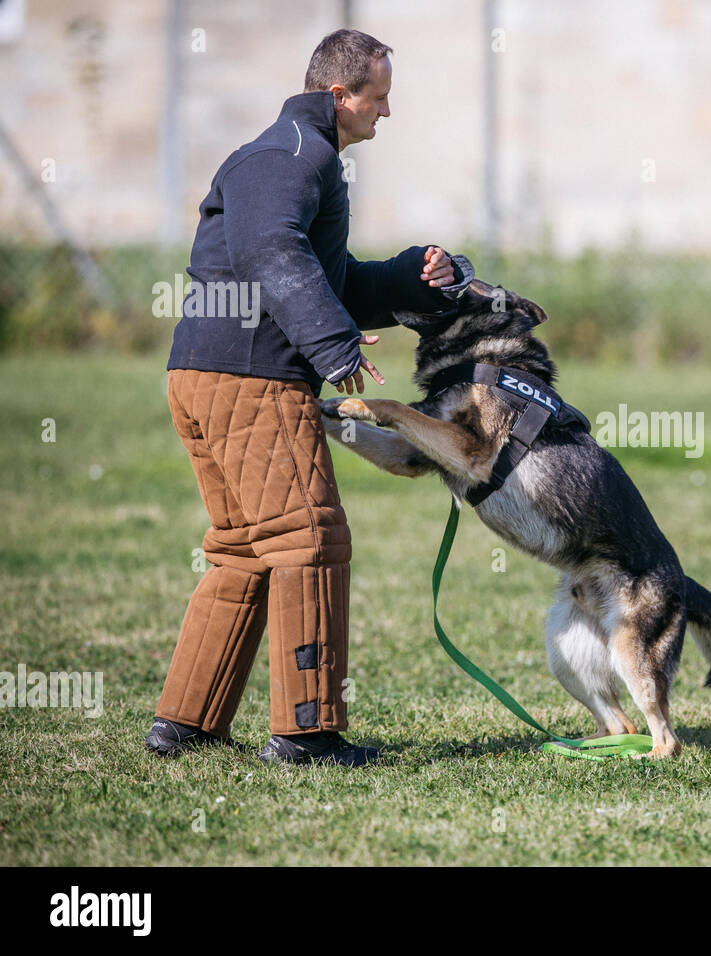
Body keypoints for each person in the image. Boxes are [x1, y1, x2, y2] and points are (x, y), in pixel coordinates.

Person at [149, 29, 474, 764]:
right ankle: (307, 731)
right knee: (310, 539)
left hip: (207, 371)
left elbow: (324, 275)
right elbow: (271, 250)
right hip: (251, 377)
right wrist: (331, 345)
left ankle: (186, 721)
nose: (386, 114)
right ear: (339, 95)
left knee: (245, 547)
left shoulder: (292, 153)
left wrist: (411, 282)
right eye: (378, 98)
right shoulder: (294, 153)